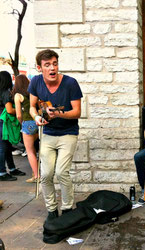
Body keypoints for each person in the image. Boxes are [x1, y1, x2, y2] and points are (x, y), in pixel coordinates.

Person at [28, 49, 83, 221]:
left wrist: (58, 114)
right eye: (47, 65)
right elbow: (32, 106)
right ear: (39, 68)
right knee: (45, 174)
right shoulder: (36, 82)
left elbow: (77, 112)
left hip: (68, 133)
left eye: (55, 63)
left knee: (61, 172)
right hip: (48, 133)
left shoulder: (70, 83)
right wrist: (36, 117)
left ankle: (67, 209)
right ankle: (52, 210)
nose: (52, 68)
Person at [12, 74, 39, 183]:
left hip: (27, 123)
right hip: (38, 121)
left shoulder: (18, 95)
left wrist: (22, 123)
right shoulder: (32, 92)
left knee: (30, 151)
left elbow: (18, 115)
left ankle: (37, 176)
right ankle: (35, 173)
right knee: (36, 149)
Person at [0, 71, 26, 181]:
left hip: (1, 121)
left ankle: (11, 168)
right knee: (3, 148)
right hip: (3, 123)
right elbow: (10, 110)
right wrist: (21, 109)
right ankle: (2, 172)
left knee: (6, 147)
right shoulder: (6, 92)